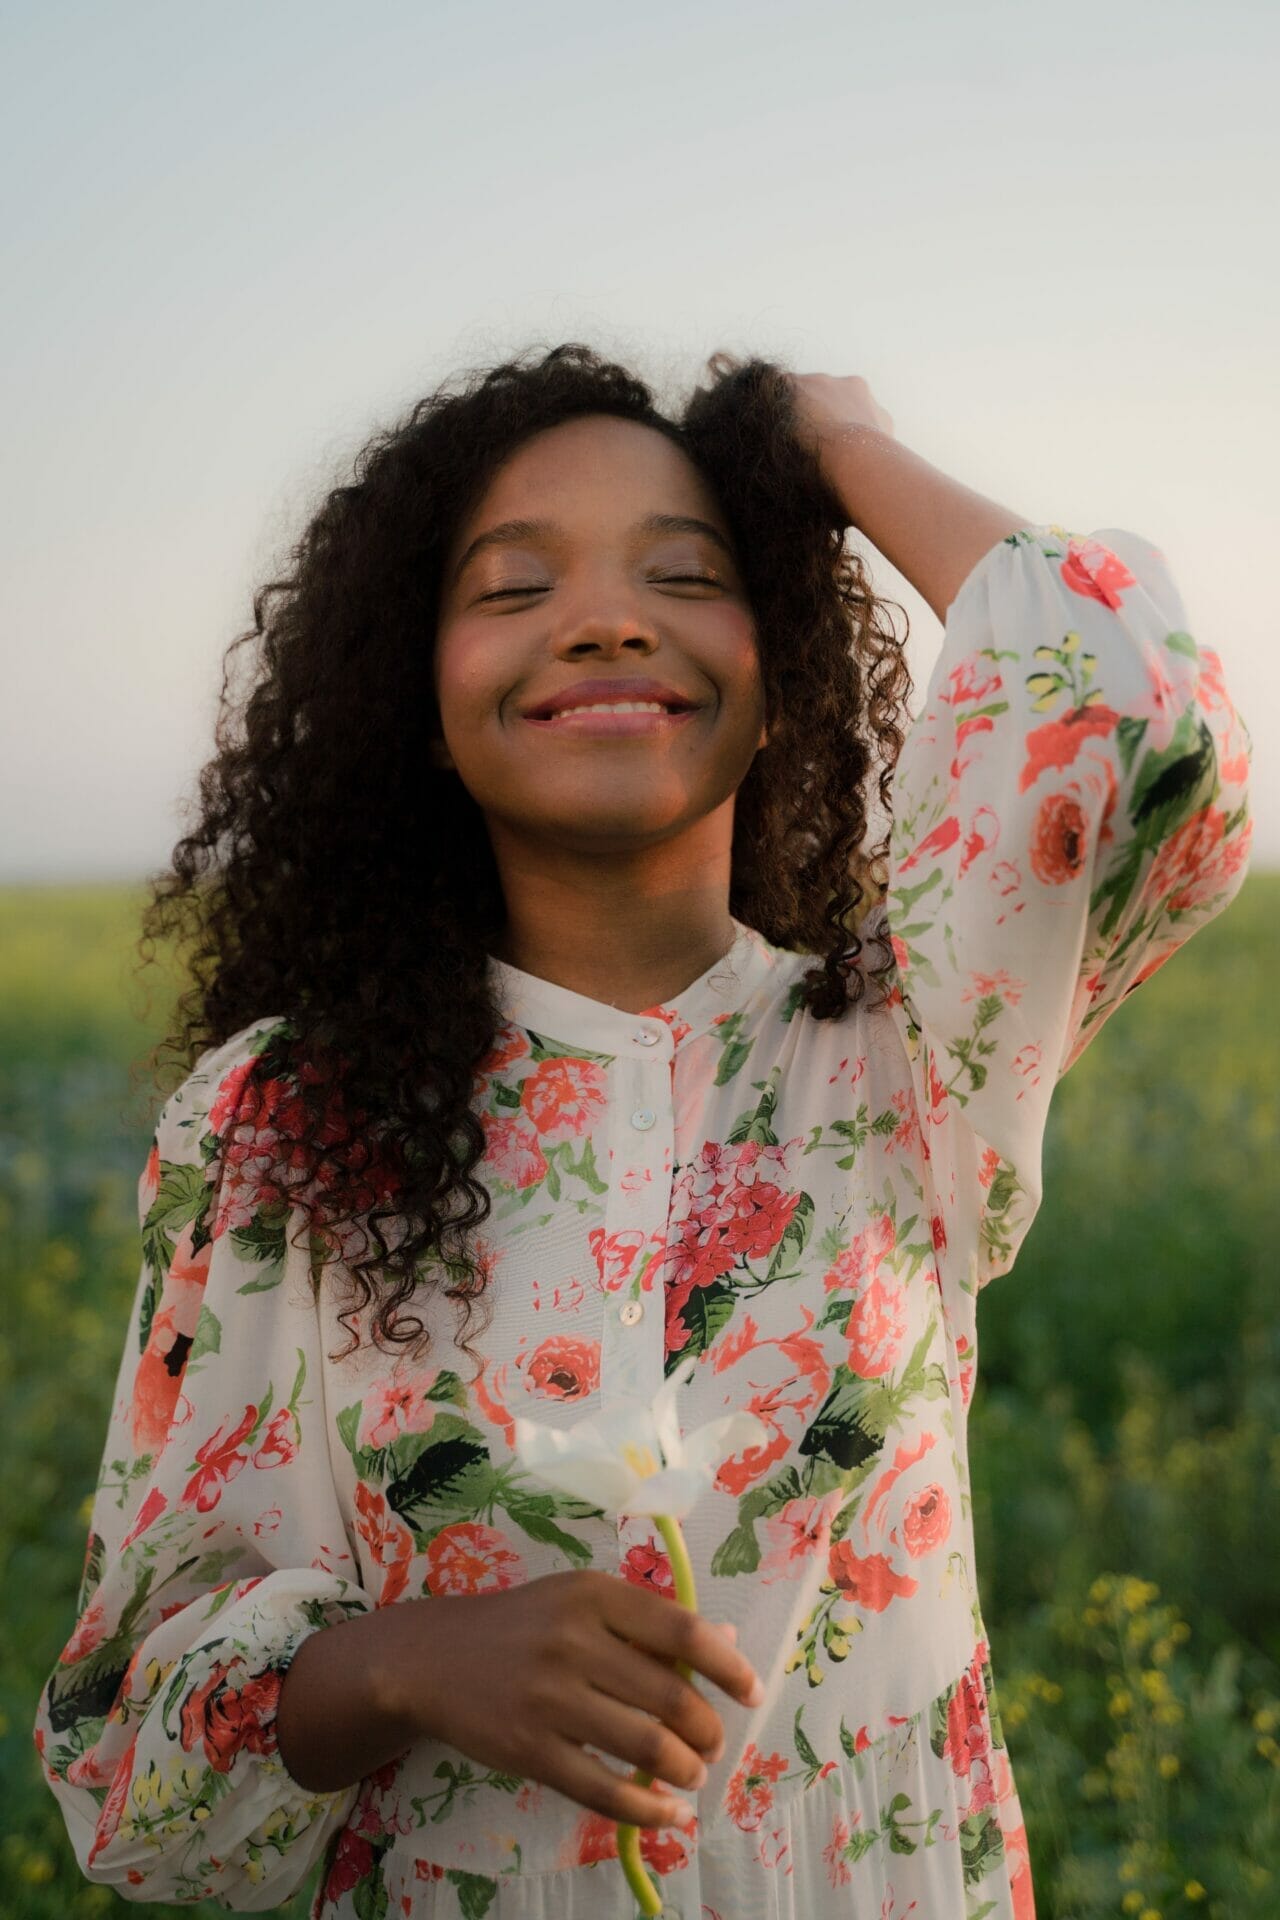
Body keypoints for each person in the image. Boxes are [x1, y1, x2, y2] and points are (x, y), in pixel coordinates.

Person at [34, 344, 1254, 1918]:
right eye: (511, 587)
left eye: (687, 574)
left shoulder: (910, 1049)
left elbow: (1135, 709)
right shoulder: (277, 1124)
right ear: (415, 700)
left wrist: (832, 443)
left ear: (781, 681)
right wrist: (399, 1663)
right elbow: (124, 1768)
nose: (607, 620)